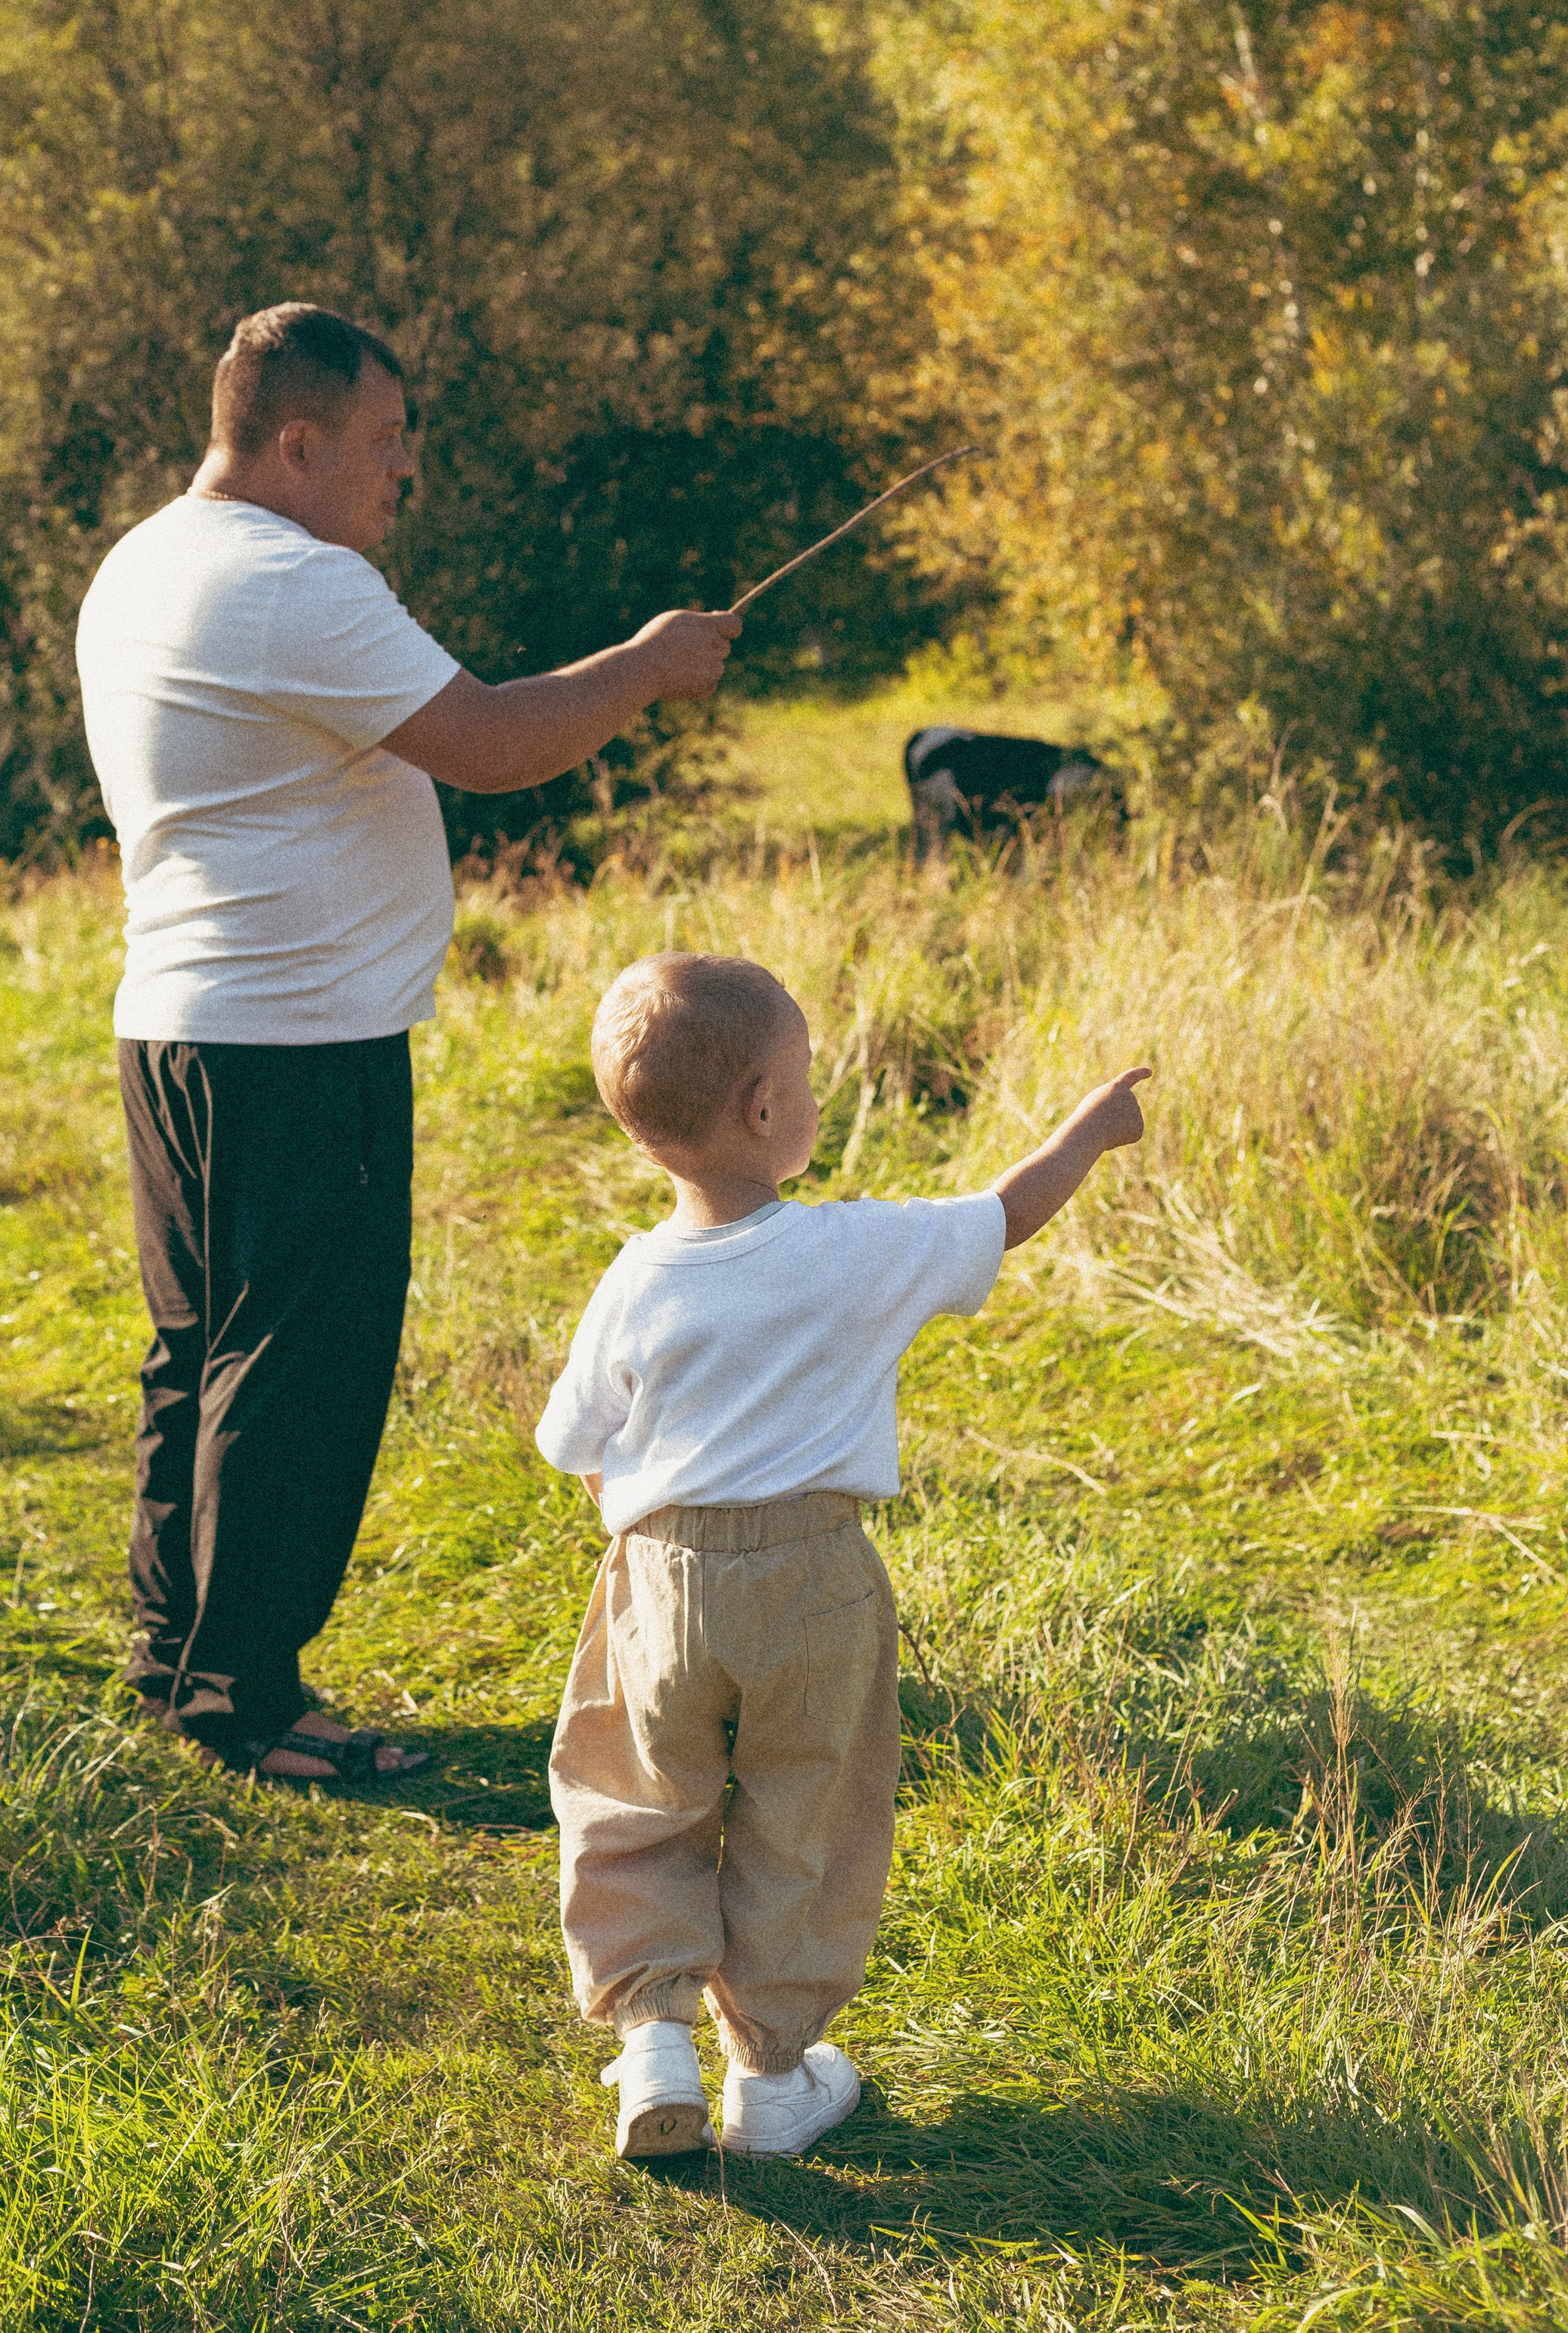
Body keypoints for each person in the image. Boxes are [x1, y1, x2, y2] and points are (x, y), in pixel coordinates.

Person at [76, 303, 740, 1787]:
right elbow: (495, 741)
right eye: (381, 444)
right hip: (300, 1041)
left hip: (179, 1030)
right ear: (295, 442)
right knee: (298, 1369)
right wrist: (644, 664)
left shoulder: (144, 563)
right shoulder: (290, 582)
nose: (402, 476)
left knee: (200, 1352)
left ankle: (177, 1653)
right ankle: (245, 1701)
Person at [535, 952, 1149, 2158]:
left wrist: (649, 1516)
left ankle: (651, 2033)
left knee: (634, 1796)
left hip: (661, 1572)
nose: (815, 1097)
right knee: (810, 1808)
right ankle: (770, 2076)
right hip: (814, 1575)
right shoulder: (856, 1250)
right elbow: (1005, 1217)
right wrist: (1088, 1132)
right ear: (767, 1109)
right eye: (807, 1078)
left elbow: (574, 1442)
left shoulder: (634, 1277)